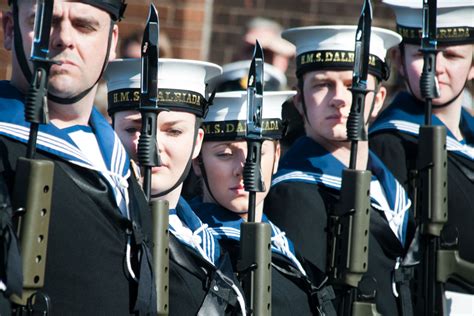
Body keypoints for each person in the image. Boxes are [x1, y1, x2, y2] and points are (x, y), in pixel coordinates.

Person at [0, 0, 156, 314]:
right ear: (8, 29)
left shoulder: (121, 167)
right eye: (45, 21)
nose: (63, 38)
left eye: (84, 25)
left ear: (112, 42)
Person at [263, 25, 415, 315]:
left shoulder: (391, 185)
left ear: (379, 99)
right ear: (299, 100)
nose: (340, 98)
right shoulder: (293, 193)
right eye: (322, 84)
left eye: (353, 85)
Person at [104, 57, 246, 315]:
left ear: (197, 142)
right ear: (109, 129)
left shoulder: (204, 238)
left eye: (173, 131)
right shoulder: (103, 224)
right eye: (133, 129)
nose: (151, 146)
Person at [369, 1, 474, 314]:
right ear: (399, 61)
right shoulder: (391, 142)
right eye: (422, 55)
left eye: (453, 56)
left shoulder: (468, 138)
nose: (436, 67)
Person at [190, 90, 336, 315]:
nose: (244, 169)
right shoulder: (191, 249)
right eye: (225, 154)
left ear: (277, 156)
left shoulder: (285, 248)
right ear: (198, 162)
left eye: (257, 154)